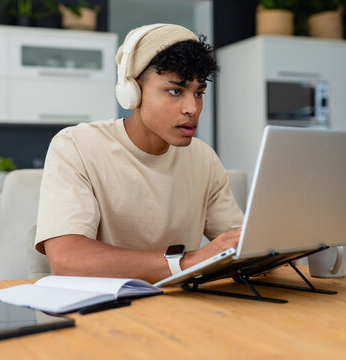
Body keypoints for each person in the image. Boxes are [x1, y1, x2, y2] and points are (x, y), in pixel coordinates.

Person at [34, 24, 244, 284]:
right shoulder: (76, 146)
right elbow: (67, 260)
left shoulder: (203, 158)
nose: (192, 108)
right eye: (175, 91)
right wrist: (189, 261)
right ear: (132, 91)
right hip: (103, 310)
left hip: (181, 308)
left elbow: (242, 243)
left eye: (198, 93)